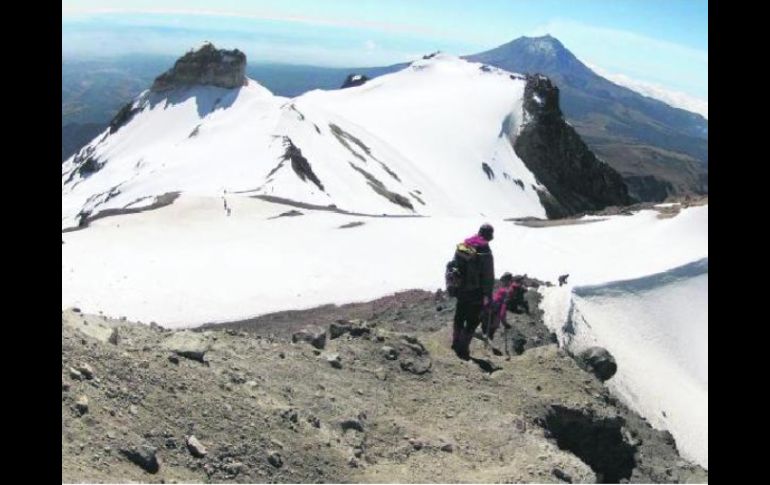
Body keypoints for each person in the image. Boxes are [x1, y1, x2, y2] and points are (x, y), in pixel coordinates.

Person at [451, 223, 495, 360]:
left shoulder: (465, 245)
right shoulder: (485, 251)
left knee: (459, 316)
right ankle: (463, 349)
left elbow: (454, 265)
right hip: (476, 293)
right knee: (472, 320)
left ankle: (455, 343)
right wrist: (488, 295)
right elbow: (488, 276)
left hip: (461, 289)